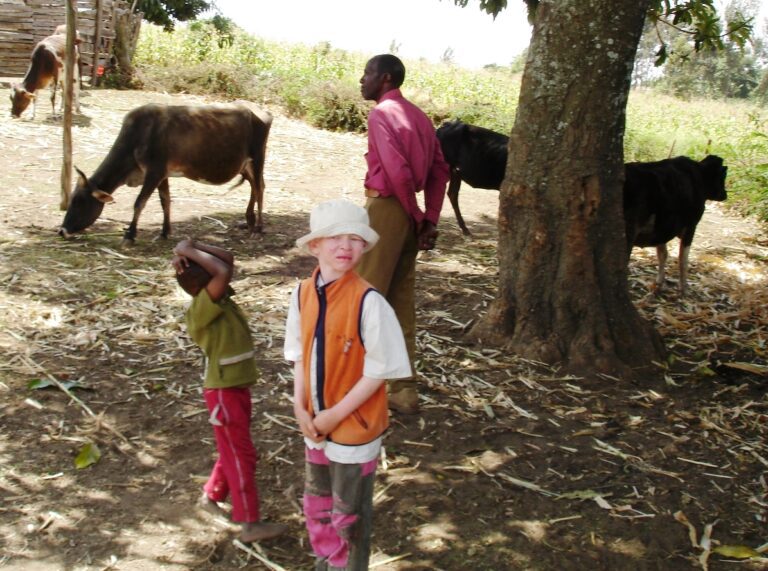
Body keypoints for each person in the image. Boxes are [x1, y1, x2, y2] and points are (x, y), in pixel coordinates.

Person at [284, 199, 412, 570]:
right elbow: (299, 354)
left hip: (353, 427)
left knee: (349, 513)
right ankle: (327, 562)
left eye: (355, 239)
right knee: (318, 502)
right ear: (315, 246)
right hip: (315, 423)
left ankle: (350, 566)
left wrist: (335, 414)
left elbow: (380, 370)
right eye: (335, 237)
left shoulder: (370, 302)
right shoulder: (301, 294)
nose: (345, 246)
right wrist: (300, 406)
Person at [171, 239, 286, 543]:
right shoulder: (201, 309)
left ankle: (210, 496)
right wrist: (188, 251)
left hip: (234, 389)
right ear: (204, 286)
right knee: (242, 455)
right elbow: (222, 270)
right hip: (224, 393)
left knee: (233, 449)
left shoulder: (218, 300)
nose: (224, 278)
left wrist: (190, 246)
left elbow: (228, 260)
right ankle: (249, 523)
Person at [357, 53, 451, 414]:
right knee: (399, 303)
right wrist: (429, 217)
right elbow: (440, 170)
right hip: (409, 216)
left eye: (367, 74)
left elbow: (397, 171)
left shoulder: (382, 114)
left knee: (364, 297)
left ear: (384, 79)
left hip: (387, 210)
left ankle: (354, 386)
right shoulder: (421, 118)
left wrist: (415, 214)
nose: (361, 80)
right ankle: (404, 390)